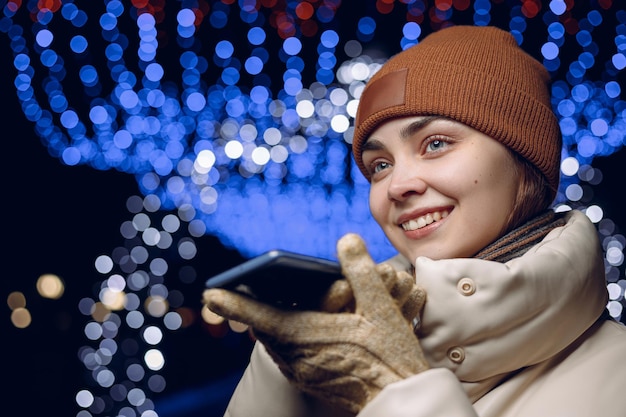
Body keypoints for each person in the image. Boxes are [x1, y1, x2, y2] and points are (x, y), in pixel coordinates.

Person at [204, 25, 626, 417]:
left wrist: (400, 390)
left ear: (523, 159)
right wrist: (283, 369)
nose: (396, 186)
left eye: (436, 143)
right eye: (380, 165)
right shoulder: (328, 341)